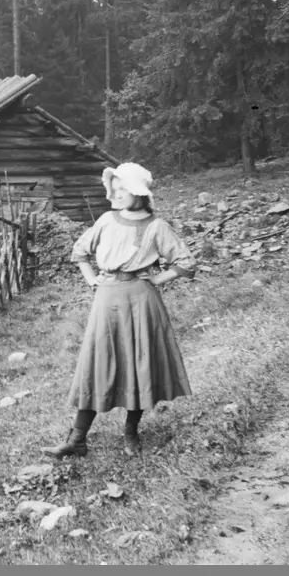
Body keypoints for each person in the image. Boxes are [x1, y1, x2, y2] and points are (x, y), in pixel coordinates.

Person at [42, 162, 195, 459]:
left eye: (125, 188)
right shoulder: (107, 220)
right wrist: (92, 280)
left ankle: (131, 434)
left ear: (140, 193)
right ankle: (77, 440)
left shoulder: (157, 226)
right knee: (96, 364)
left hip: (141, 299)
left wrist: (158, 278)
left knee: (139, 365)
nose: (118, 193)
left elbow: (185, 262)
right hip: (106, 298)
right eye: (117, 188)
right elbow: (81, 252)